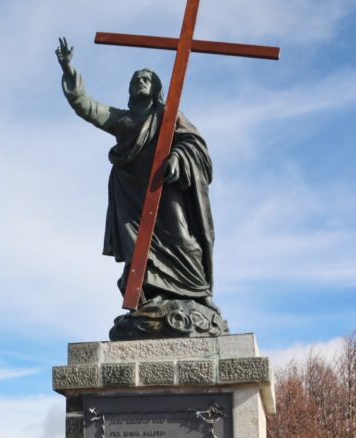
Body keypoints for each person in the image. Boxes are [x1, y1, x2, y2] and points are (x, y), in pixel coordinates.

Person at [56, 37, 227, 339]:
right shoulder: (123, 120)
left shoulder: (167, 115)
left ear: (156, 87)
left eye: (147, 79)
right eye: (137, 79)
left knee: (184, 241)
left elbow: (194, 143)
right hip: (133, 198)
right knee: (140, 255)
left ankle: (198, 296)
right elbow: (87, 106)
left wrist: (177, 157)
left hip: (167, 187)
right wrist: (70, 70)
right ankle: (147, 302)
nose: (142, 81)